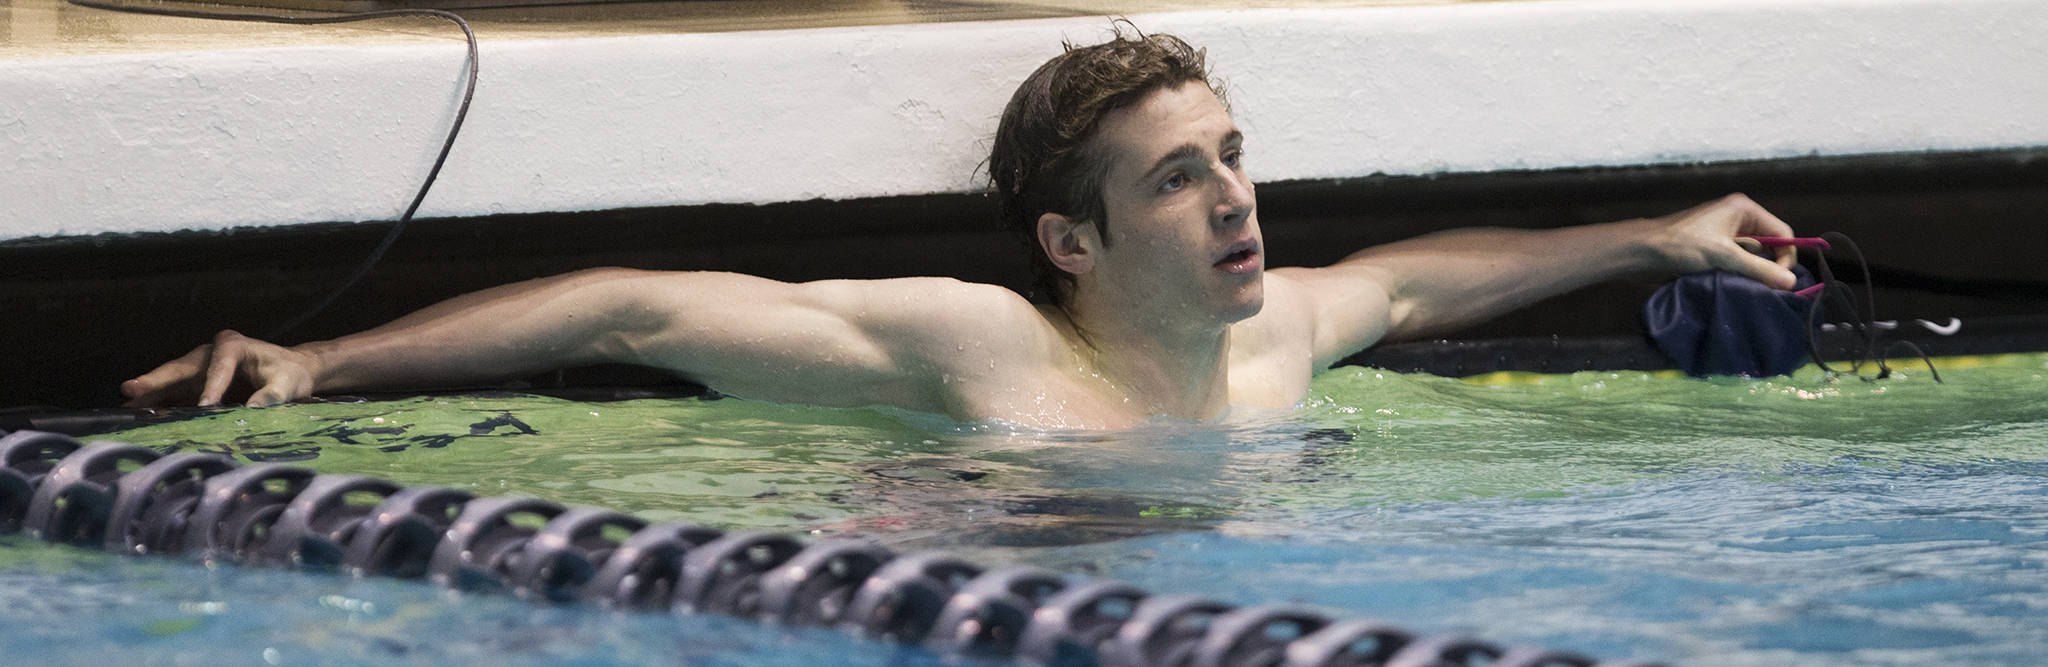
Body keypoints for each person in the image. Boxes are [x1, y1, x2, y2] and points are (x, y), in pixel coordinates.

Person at [120, 29, 1797, 430]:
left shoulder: (1276, 339)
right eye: (1176, 179)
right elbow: (630, 308)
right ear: (1071, 245)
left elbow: (1421, 280)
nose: (1235, 200)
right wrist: (321, 357)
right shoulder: (989, 352)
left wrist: (1662, 236)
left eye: (1232, 157)